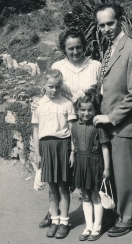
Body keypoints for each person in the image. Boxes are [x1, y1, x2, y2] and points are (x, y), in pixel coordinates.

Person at [33, 28, 101, 228]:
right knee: (56, 175)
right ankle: (53, 213)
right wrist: (36, 104)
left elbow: (100, 96)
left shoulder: (95, 66)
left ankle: (95, 216)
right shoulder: (58, 65)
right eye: (70, 48)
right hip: (64, 126)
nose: (75, 51)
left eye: (79, 47)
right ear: (64, 48)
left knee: (86, 170)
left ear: (85, 46)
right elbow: (49, 91)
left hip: (87, 127)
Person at [93, 2, 132, 237]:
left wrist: (111, 116)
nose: (106, 28)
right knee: (112, 173)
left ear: (120, 21)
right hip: (107, 124)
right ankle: (117, 213)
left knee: (126, 175)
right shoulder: (108, 50)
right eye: (102, 25)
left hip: (124, 125)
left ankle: (128, 218)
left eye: (110, 23)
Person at [32, 69, 77, 239]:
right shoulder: (38, 105)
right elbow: (36, 132)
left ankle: (64, 222)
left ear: (61, 86)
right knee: (52, 186)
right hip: (46, 148)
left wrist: (73, 151)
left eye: (57, 87)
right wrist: (38, 154)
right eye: (50, 86)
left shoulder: (67, 104)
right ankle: (55, 220)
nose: (54, 90)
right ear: (43, 85)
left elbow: (72, 131)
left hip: (63, 146)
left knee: (63, 186)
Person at [71, 91, 110, 241]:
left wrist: (107, 169)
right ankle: (88, 226)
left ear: (95, 111)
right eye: (83, 110)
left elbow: (105, 148)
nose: (86, 113)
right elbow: (73, 145)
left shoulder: (98, 127)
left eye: (90, 110)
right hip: (81, 164)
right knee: (85, 196)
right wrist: (72, 155)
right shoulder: (74, 126)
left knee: (95, 195)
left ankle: (97, 228)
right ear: (77, 110)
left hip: (95, 165)